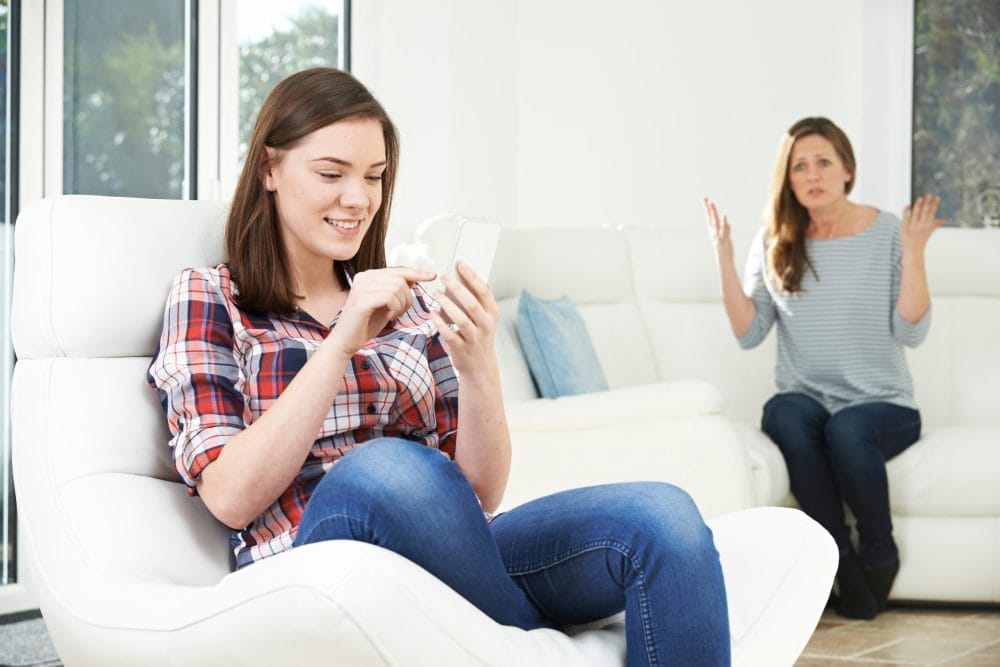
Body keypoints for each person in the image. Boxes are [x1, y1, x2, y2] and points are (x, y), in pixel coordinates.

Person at [148, 67, 730, 665]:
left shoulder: (411, 301)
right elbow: (228, 496)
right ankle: (530, 637)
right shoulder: (212, 296)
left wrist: (479, 364)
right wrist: (340, 344)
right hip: (312, 559)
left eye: (373, 177)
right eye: (332, 173)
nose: (358, 199)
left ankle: (507, 629)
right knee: (386, 471)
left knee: (665, 520)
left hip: (453, 549)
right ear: (269, 169)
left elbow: (478, 491)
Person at [702, 117, 942, 620]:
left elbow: (911, 332)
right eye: (800, 167)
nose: (812, 175)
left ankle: (880, 549)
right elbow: (749, 333)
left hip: (883, 407)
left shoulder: (888, 234)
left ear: (847, 170)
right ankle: (839, 558)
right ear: (787, 179)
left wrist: (915, 254)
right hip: (809, 403)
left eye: (823, 163)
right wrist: (722, 258)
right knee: (784, 414)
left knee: (847, 427)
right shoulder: (775, 239)